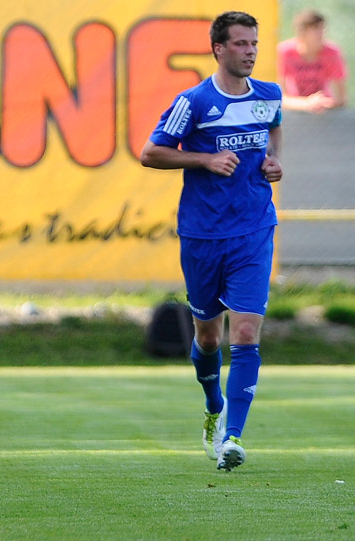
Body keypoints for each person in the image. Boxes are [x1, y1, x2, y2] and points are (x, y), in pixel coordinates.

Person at [140, 11, 282, 471]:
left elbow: (273, 129)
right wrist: (204, 160)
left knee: (245, 331)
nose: (250, 51)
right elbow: (151, 152)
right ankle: (213, 406)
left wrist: (273, 161)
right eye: (241, 43)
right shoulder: (195, 101)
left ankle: (233, 438)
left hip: (254, 230)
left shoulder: (269, 95)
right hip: (202, 236)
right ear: (218, 49)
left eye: (254, 43)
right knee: (207, 337)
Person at [277, 9, 347, 113]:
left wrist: (323, 103)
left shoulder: (332, 53)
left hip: (323, 112)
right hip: (295, 110)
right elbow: (280, 98)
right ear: (302, 32)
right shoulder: (285, 52)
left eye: (322, 28)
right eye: (315, 28)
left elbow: (342, 98)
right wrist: (306, 103)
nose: (321, 33)